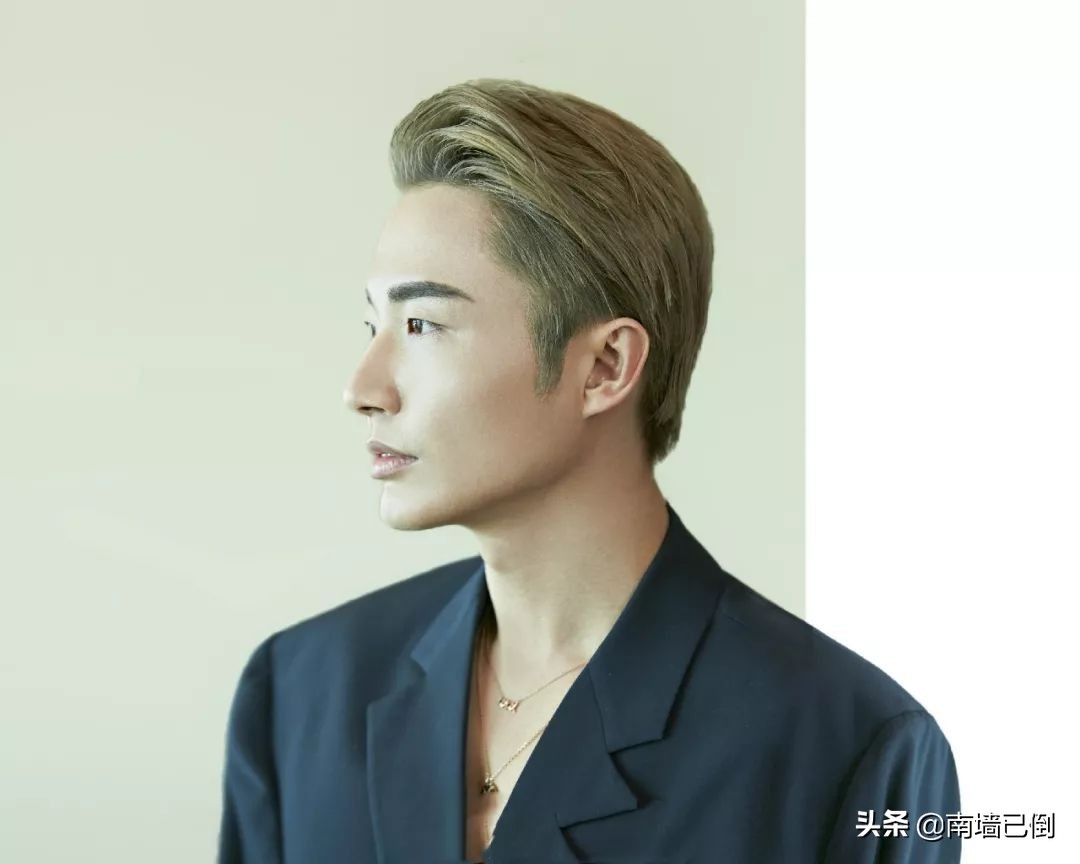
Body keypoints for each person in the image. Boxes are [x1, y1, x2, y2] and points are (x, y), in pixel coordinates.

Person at [217, 79, 960, 864]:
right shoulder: (301, 694)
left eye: (423, 324)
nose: (363, 388)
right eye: (373, 325)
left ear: (605, 366)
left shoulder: (848, 748)